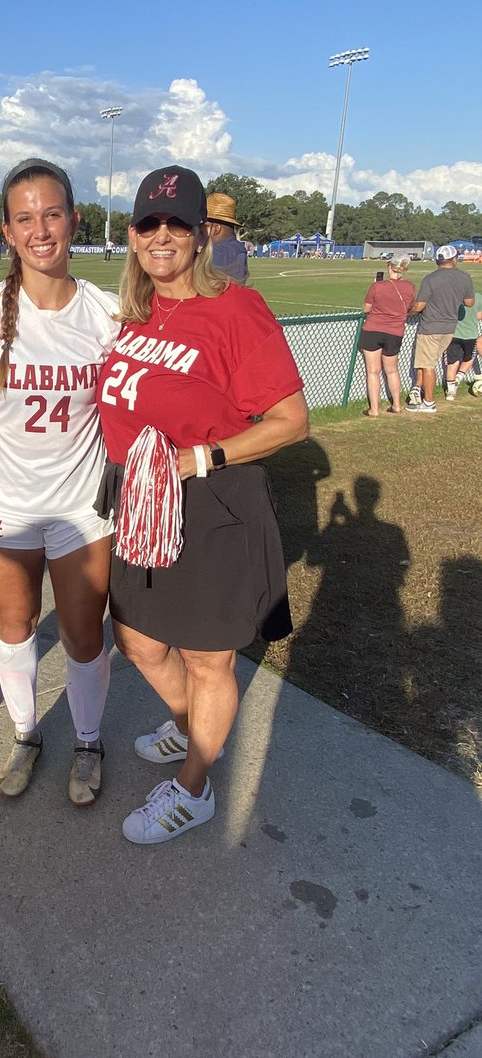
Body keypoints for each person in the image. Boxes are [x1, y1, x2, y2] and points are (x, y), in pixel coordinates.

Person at [95, 166, 308, 845]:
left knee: (207, 658)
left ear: (201, 234)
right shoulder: (135, 312)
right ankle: (191, 727)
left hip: (211, 503)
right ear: (132, 236)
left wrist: (203, 456)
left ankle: (194, 788)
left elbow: (290, 421)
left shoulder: (236, 308)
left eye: (177, 224)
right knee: (137, 638)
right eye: (149, 224)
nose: (163, 236)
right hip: (141, 502)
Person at [0, 159, 119, 804]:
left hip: (82, 508)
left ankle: (88, 740)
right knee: (14, 626)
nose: (40, 229)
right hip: (7, 504)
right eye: (25, 217)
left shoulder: (107, 313)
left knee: (85, 637)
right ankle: (27, 733)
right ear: (7, 231)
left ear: (74, 221)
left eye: (52, 213)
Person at [407, 246, 474, 413]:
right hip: (449, 327)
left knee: (427, 365)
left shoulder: (430, 279)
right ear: (453, 259)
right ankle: (421, 393)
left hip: (430, 326)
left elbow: (420, 305)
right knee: (429, 363)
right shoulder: (465, 278)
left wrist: (407, 313)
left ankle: (429, 402)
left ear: (437, 261)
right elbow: (469, 302)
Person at [358, 255, 415, 415]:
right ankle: (397, 405)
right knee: (392, 370)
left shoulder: (378, 287)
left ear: (390, 267)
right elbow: (409, 307)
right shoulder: (410, 287)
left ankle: (374, 409)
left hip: (373, 329)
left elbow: (366, 308)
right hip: (395, 331)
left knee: (372, 371)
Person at [444, 287, 481, 399]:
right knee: (469, 357)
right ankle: (459, 376)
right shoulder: (478, 297)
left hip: (453, 334)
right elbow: (479, 316)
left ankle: (451, 392)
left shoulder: (451, 297)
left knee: (452, 362)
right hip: (470, 335)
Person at [205, 193, 249, 284]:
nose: (200, 230)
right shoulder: (236, 248)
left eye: (204, 226)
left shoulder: (226, 251)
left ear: (217, 228)